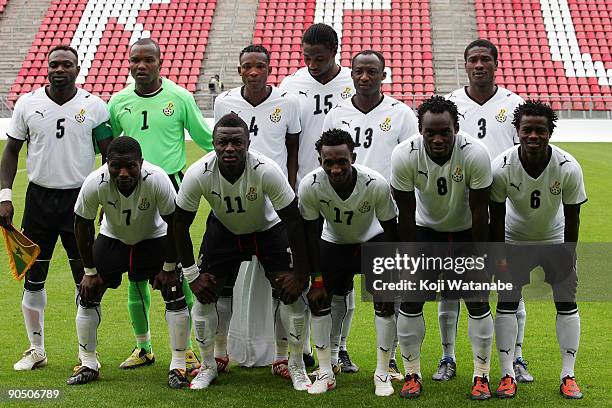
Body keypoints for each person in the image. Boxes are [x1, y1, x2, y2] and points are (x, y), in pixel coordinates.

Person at [173, 113, 312, 391]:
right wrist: (191, 275)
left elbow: (293, 221)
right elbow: (178, 225)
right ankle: (210, 364)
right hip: (223, 229)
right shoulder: (199, 172)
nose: (229, 148)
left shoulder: (265, 169)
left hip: (267, 230)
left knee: (290, 295)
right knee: (206, 294)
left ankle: (293, 364)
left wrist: (300, 272)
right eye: (222, 142)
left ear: (248, 143)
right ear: (212, 143)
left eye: (237, 142)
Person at [0, 45, 112, 371]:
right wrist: (5, 195)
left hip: (80, 202)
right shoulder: (28, 104)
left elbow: (108, 155)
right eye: (54, 64)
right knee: (33, 276)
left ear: (78, 69)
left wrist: (104, 199)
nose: (59, 69)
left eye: (67, 65)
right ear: (46, 68)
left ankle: (87, 354)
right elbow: (10, 153)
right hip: (38, 201)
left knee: (87, 278)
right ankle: (36, 350)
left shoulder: (94, 106)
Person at [108, 37, 213, 372]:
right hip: (127, 190)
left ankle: (191, 348)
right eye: (135, 60)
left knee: (180, 268)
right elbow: (111, 151)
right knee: (135, 273)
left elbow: (207, 139)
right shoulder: (118, 101)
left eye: (148, 60)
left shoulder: (179, 98)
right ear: (129, 62)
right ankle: (144, 348)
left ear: (160, 61)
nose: (141, 66)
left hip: (170, 187)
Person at [391, 96, 494, 400]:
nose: (437, 139)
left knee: (476, 300)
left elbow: (479, 213)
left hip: (465, 232)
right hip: (426, 231)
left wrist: (482, 259)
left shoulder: (475, 153)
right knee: (411, 300)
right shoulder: (404, 155)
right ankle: (412, 374)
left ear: (456, 129)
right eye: (430, 133)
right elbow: (406, 215)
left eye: (444, 133)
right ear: (420, 130)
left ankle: (481, 375)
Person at [440, 38, 529, 383]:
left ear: (495, 64)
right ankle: (448, 357)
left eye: (485, 60)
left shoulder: (514, 104)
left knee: (511, 285)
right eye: (473, 60)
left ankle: (516, 358)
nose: (479, 65)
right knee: (451, 288)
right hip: (460, 209)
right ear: (465, 65)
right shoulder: (450, 102)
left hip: (504, 210)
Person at [68, 136, 190, 388]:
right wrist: (89, 271)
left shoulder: (157, 178)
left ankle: (179, 364)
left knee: (174, 289)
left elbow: (175, 225)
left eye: (130, 166)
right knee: (88, 292)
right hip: (113, 238)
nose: (123, 173)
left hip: (154, 238)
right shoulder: (95, 182)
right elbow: (81, 225)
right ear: (107, 163)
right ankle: (88, 363)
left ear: (141, 163)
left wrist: (168, 268)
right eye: (116, 166)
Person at [213, 44, 302, 373]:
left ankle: (283, 355)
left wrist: (289, 188)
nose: (253, 72)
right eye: (247, 67)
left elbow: (292, 149)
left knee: (282, 281)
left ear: (269, 68)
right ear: (239, 70)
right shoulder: (225, 101)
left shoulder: (287, 102)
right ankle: (222, 351)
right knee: (224, 279)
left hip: (273, 203)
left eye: (259, 66)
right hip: (233, 201)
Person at [490, 100, 586, 399]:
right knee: (507, 303)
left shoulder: (568, 166)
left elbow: (573, 216)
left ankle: (568, 375)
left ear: (550, 132)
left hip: (554, 239)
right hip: (514, 240)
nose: (533, 136)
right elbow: (495, 215)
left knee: (566, 302)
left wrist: (568, 257)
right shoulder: (502, 165)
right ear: (517, 131)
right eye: (527, 129)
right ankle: (507, 374)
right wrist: (498, 256)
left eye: (540, 130)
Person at [280, 23, 359, 373]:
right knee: (308, 269)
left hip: (346, 191)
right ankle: (310, 348)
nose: (312, 63)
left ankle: (340, 348)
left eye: (320, 57)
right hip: (305, 192)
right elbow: (286, 138)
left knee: (342, 275)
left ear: (335, 51)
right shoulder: (291, 85)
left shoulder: (352, 84)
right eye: (307, 56)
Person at [298, 129, 398, 395]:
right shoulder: (310, 185)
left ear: (353, 157)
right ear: (320, 160)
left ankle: (383, 372)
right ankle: (325, 372)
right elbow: (309, 234)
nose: (335, 168)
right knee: (319, 301)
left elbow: (391, 230)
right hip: (334, 243)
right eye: (328, 162)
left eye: (342, 161)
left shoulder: (374, 183)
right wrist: (316, 279)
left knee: (385, 303)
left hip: (372, 241)